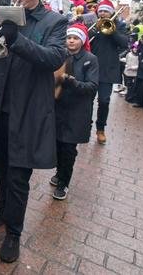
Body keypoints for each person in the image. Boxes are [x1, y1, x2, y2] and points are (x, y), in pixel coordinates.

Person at [0, 0, 67, 263]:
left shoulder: (54, 21)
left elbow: (53, 57)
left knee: (19, 174)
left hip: (28, 110)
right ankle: (3, 207)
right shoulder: (5, 13)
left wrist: (17, 39)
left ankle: (14, 232)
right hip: (0, 106)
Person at [52, 23, 98, 199]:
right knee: (57, 145)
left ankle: (64, 183)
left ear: (82, 40)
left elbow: (92, 86)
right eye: (69, 37)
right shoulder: (60, 55)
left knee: (69, 148)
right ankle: (58, 172)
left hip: (76, 111)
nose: (71, 41)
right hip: (58, 108)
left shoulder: (90, 59)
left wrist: (73, 82)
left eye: (75, 38)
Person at [89, 0, 128, 144]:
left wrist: (112, 31)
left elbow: (124, 43)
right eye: (101, 11)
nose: (103, 13)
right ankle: (86, 126)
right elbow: (84, 39)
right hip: (91, 68)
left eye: (106, 11)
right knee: (87, 100)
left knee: (104, 101)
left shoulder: (120, 26)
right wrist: (94, 30)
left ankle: (101, 130)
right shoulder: (93, 25)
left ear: (111, 13)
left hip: (108, 69)